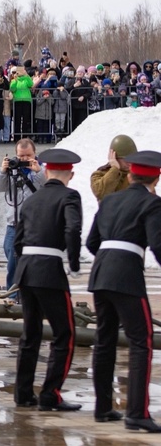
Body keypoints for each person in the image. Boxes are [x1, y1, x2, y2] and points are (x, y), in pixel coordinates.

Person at [86, 150, 161, 431]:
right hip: (126, 276)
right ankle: (137, 412)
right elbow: (158, 244)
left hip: (101, 273)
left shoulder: (109, 200)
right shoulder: (153, 203)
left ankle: (103, 407)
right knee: (141, 342)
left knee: (104, 341)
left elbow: (92, 243)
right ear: (156, 179)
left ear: (130, 176)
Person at [11, 148, 83, 412]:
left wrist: (26, 262)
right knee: (65, 334)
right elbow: (72, 229)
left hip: (26, 270)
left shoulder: (32, 200)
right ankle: (51, 394)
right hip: (50, 271)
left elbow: (18, 240)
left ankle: (23, 393)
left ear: (47, 171)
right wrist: (73, 263)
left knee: (30, 334)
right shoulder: (70, 196)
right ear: (70, 175)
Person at [0, 138, 47, 296]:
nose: (24, 159)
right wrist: (3, 171)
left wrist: (38, 171)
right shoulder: (12, 169)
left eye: (28, 155)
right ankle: (12, 296)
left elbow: (48, 185)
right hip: (14, 223)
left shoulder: (41, 169)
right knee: (12, 259)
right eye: (21, 156)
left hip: (34, 224)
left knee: (34, 261)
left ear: (35, 153)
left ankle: (30, 294)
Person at [91, 134, 137, 203]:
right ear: (114, 157)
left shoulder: (137, 174)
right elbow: (101, 194)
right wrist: (115, 169)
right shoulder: (99, 174)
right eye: (125, 159)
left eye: (131, 159)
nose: (129, 163)